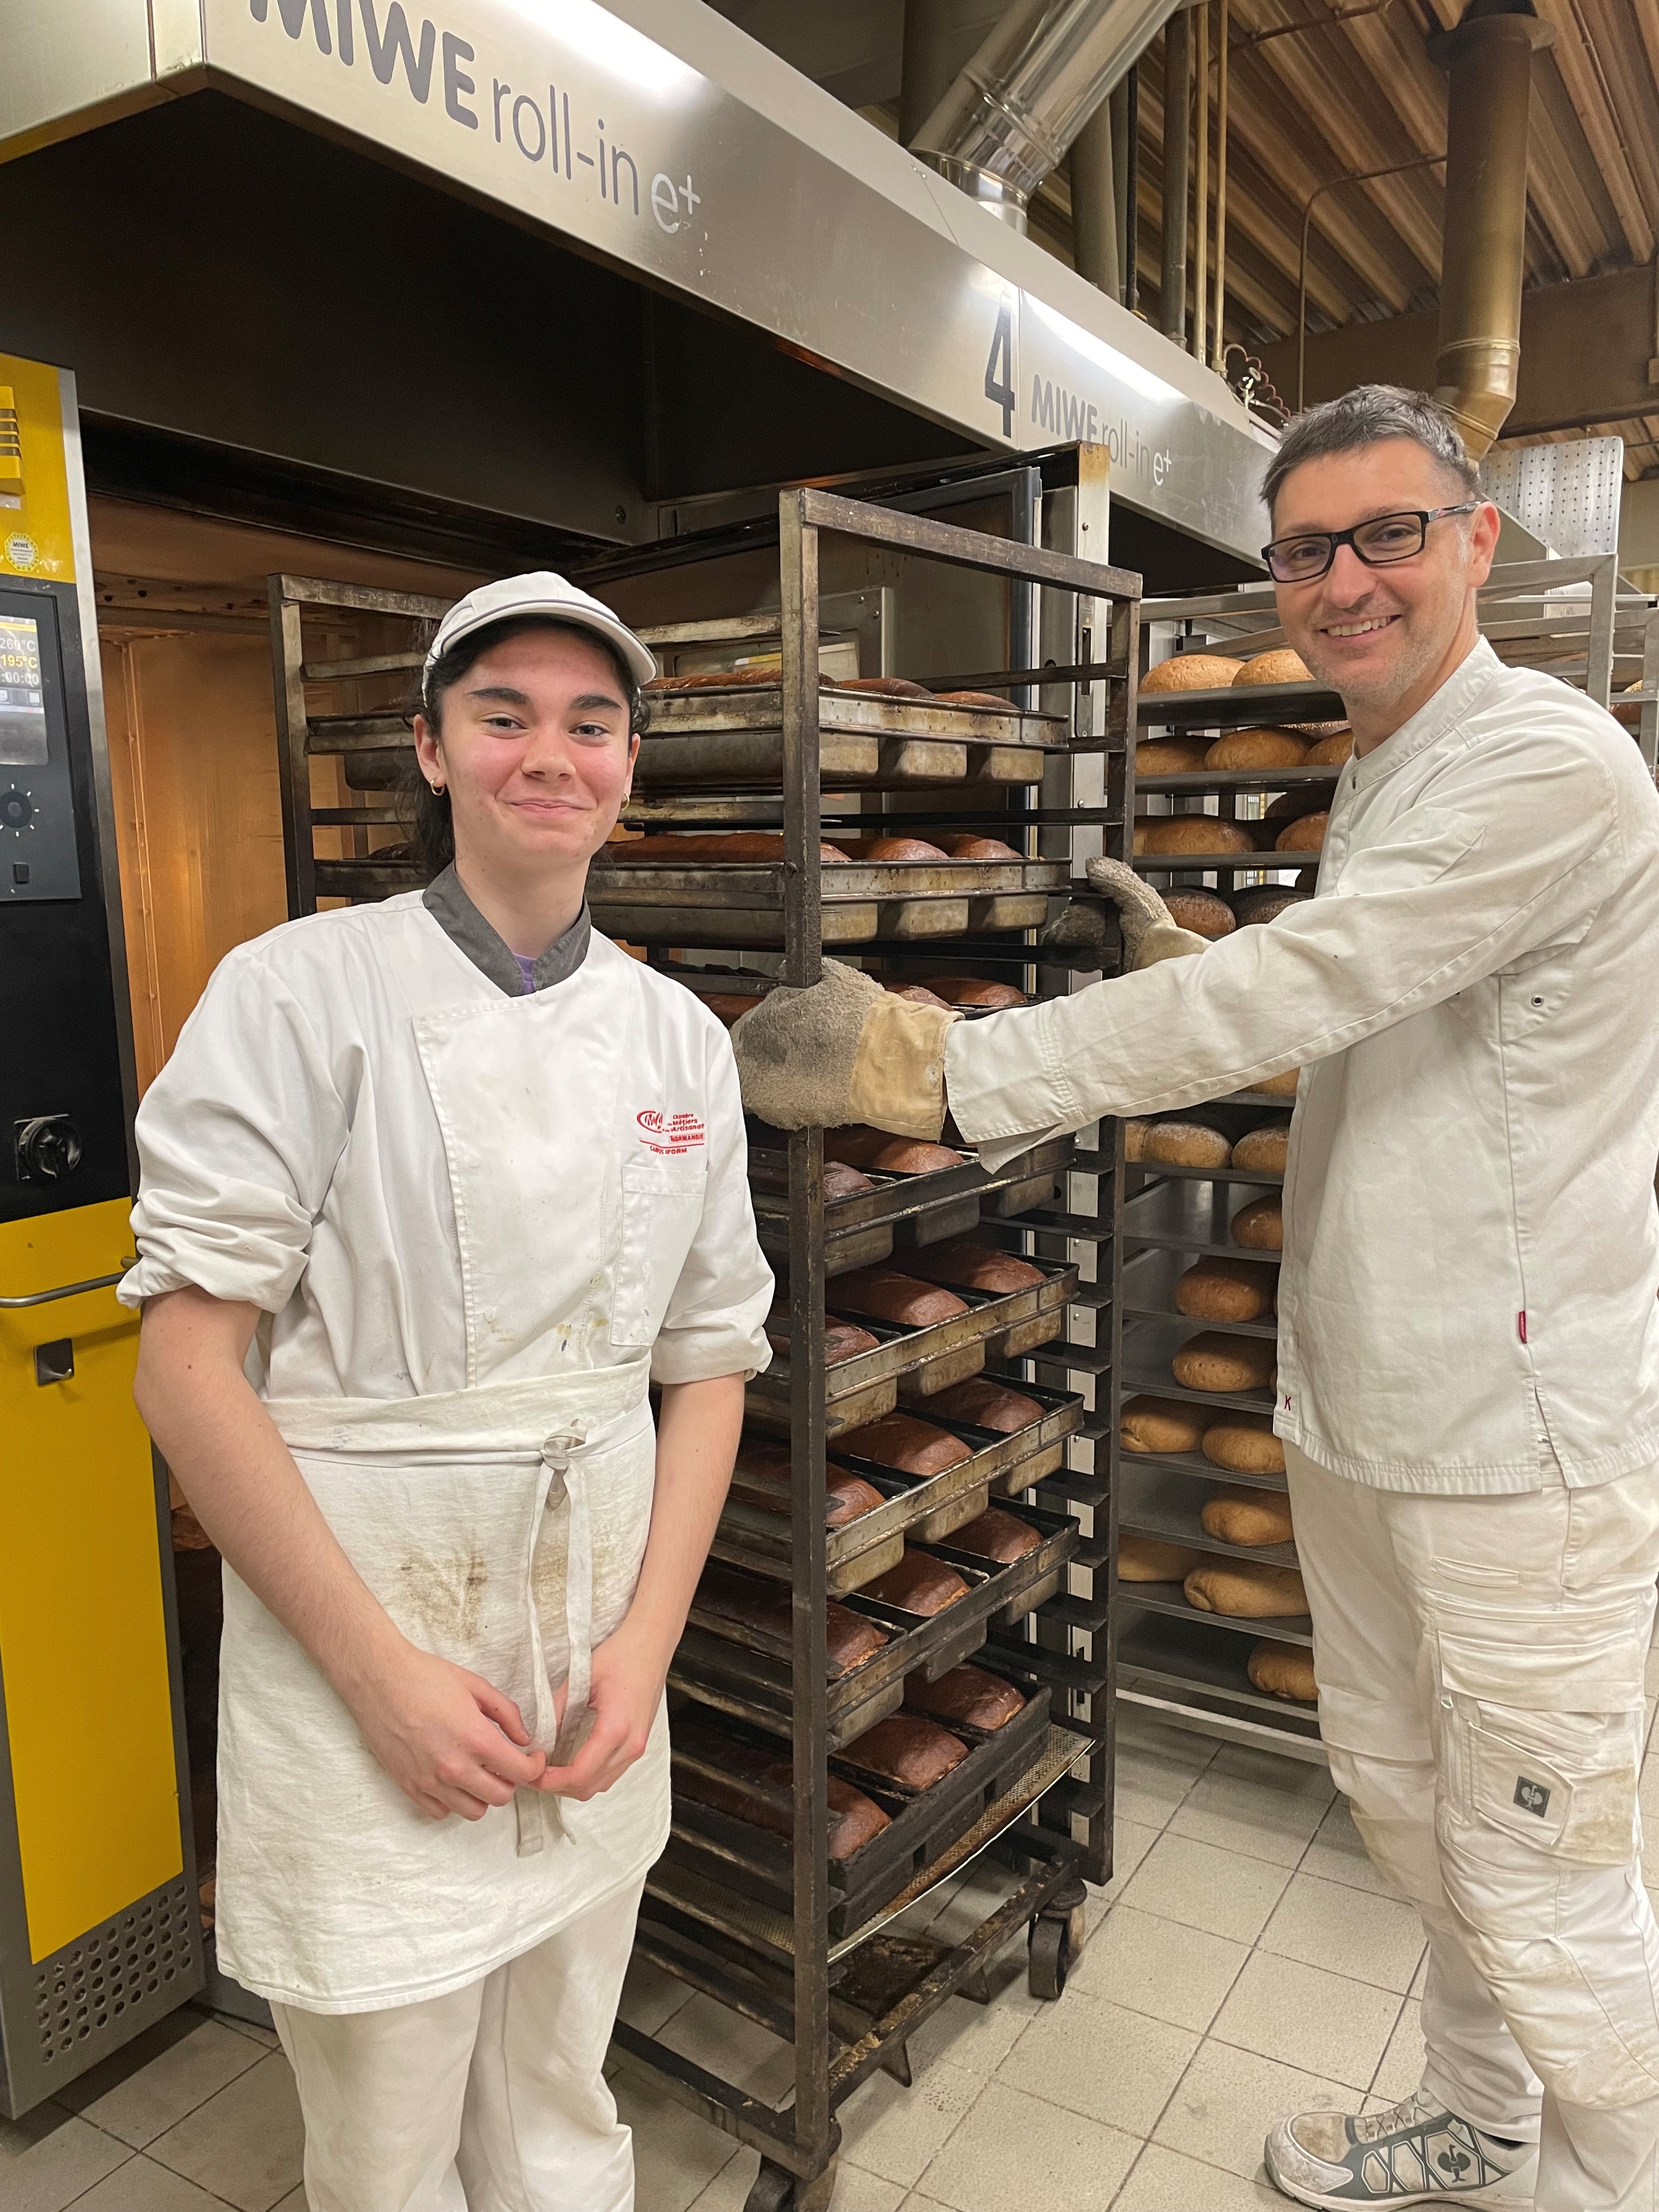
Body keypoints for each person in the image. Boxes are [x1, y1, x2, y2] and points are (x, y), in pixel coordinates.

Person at [733, 387, 1659, 2212]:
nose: (1346, 580)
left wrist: (939, 1065)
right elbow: (1379, 1015)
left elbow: (1325, 983)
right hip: (1366, 1404)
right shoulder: (1390, 768)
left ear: (1478, 541)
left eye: (1391, 532)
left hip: (1519, 1438)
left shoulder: (1546, 759)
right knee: (1420, 1817)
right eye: (1307, 549)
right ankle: (1482, 2134)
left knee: (1549, 1873)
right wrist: (1204, 966)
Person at [125, 572, 774, 2212]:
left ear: (629, 765)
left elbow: (705, 1372)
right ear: (429, 749)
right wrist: (380, 1677)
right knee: (390, 2127)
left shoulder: (683, 1040)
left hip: (592, 1660)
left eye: (589, 723)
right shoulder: (298, 994)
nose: (548, 755)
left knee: (561, 2081)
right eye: (504, 718)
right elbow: (187, 1366)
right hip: (373, 1653)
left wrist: (647, 1647)